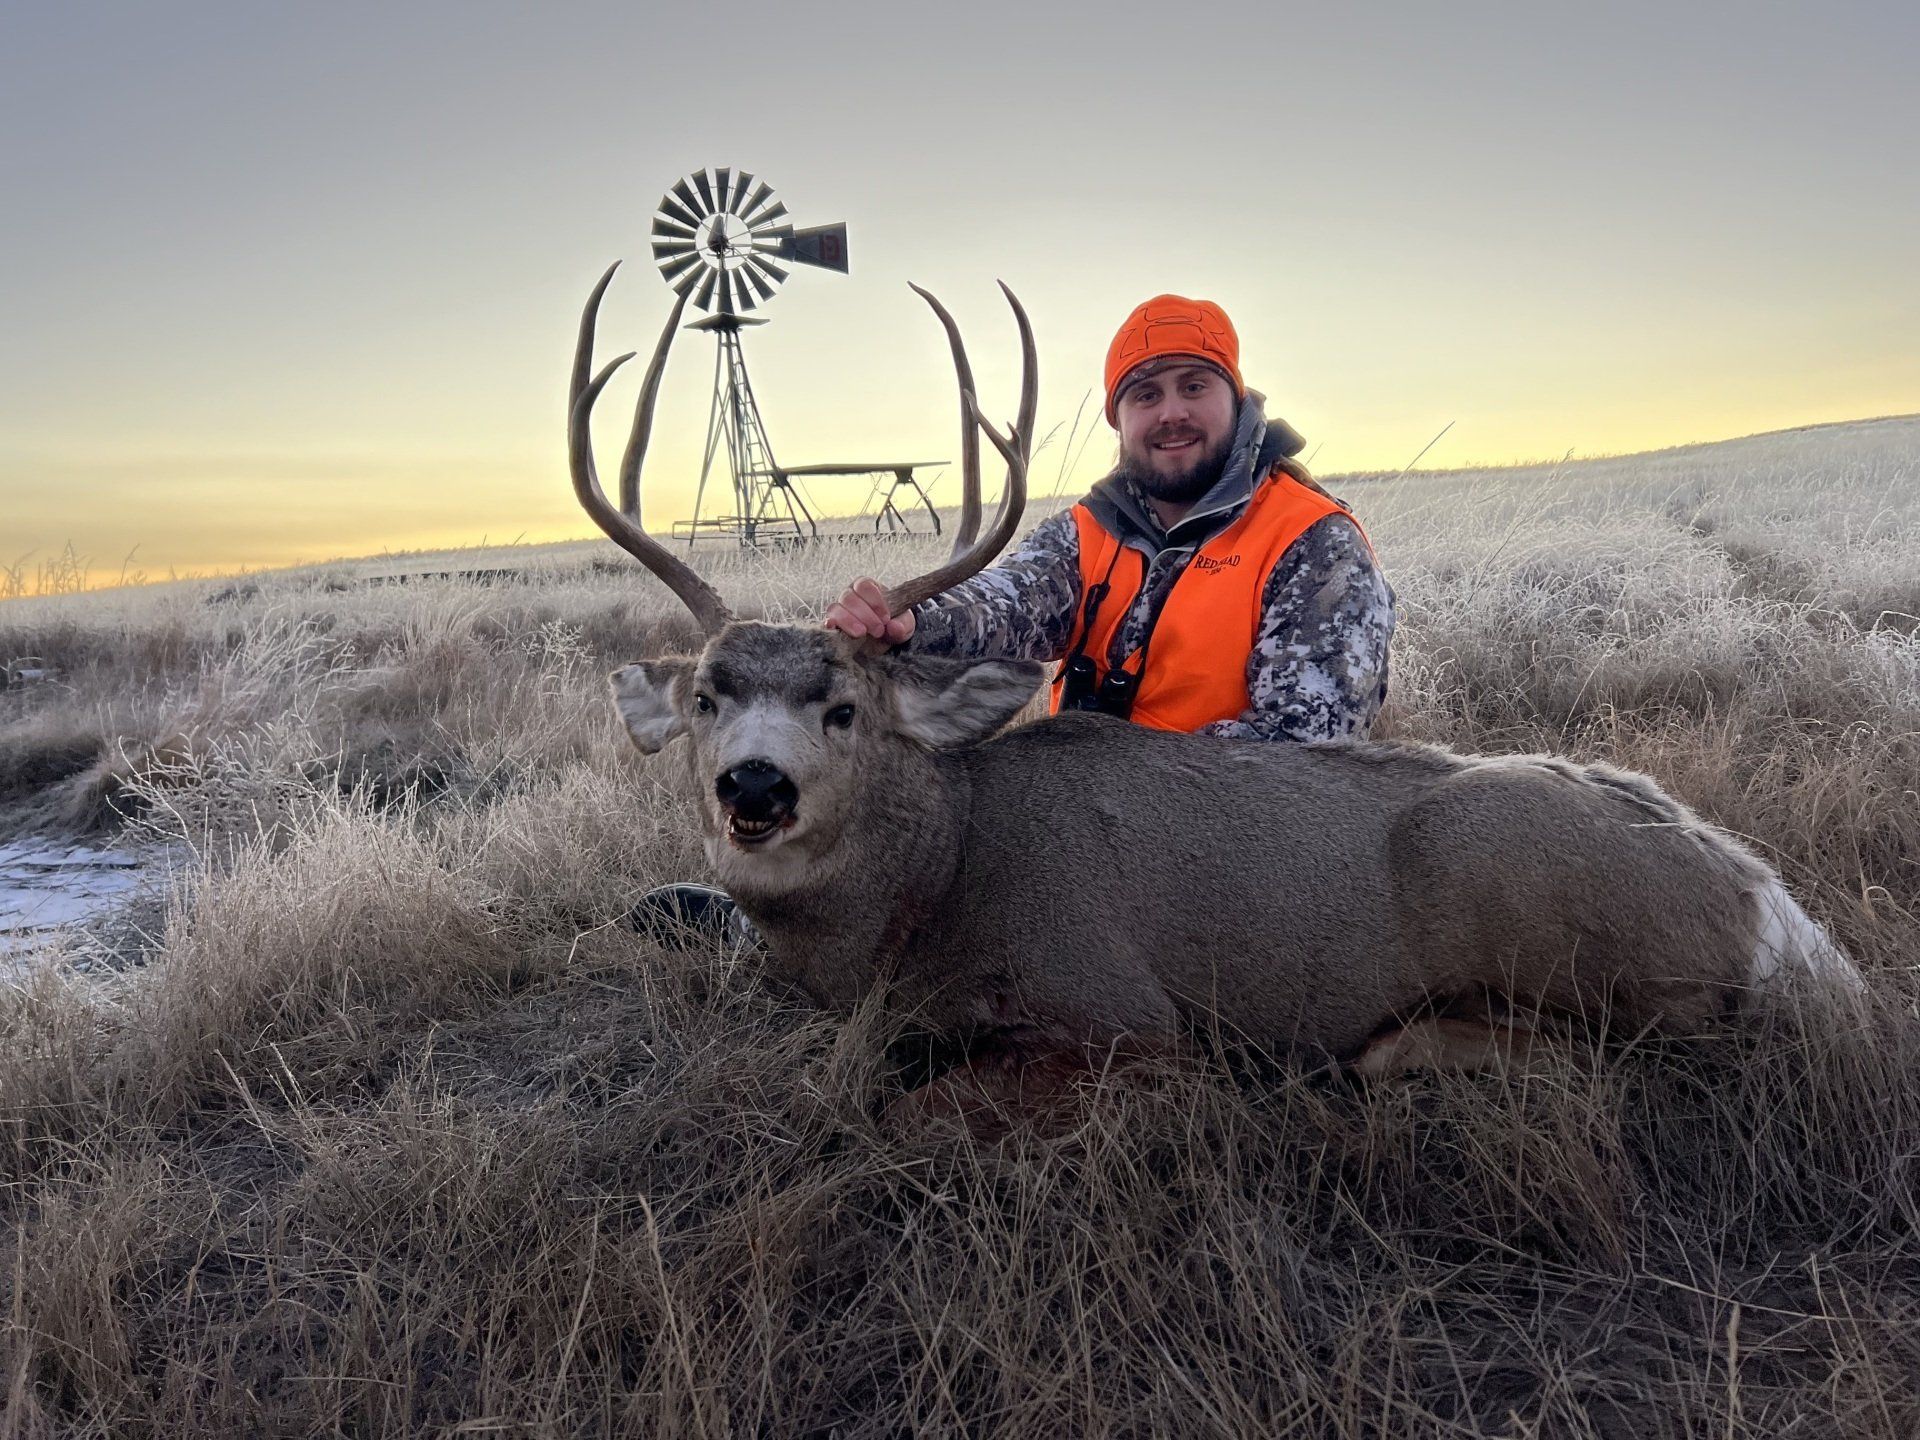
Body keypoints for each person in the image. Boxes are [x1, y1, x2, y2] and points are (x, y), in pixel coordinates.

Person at [634, 293, 1396, 945]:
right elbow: (1008, 603)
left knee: (999, 890)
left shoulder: (1310, 540)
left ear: (1236, 398)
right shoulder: (1093, 529)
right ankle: (797, 920)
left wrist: (1125, 790)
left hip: (1236, 834)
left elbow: (1308, 750)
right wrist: (911, 625)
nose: (1170, 413)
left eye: (1193, 386)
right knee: (937, 815)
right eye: (1145, 395)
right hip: (1094, 817)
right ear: (1120, 418)